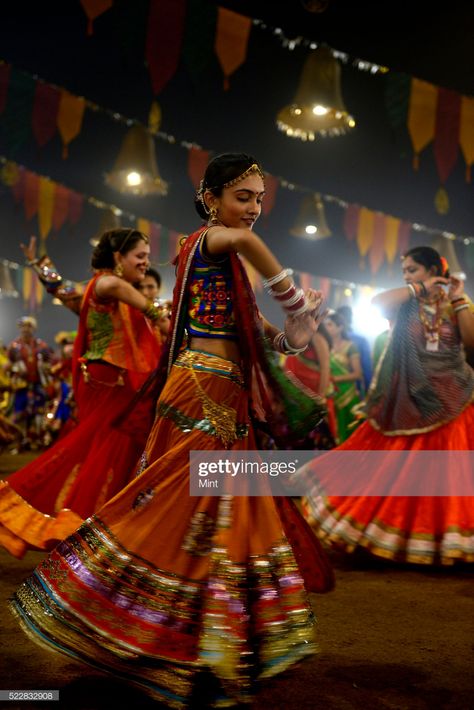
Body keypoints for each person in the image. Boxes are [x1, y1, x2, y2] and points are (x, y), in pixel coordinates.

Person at [11, 153, 334, 707]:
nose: (254, 209)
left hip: (222, 391)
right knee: (180, 506)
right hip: (200, 389)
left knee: (219, 512)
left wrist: (296, 332)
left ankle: (209, 639)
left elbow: (259, 333)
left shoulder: (224, 262)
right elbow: (249, 250)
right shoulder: (211, 241)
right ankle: (119, 616)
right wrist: (293, 295)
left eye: (260, 199)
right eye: (243, 197)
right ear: (210, 198)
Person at [300, 246, 474, 565]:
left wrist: (459, 298)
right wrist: (421, 286)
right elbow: (376, 303)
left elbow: (471, 341)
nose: (406, 276)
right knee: (394, 468)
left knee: (450, 473)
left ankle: (447, 543)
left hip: (454, 398)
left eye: (413, 270)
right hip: (408, 399)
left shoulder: (456, 303)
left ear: (435, 268)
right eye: (405, 271)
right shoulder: (404, 304)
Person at [0, 228, 164, 558]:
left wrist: (40, 265)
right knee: (99, 453)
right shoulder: (107, 287)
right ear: (118, 258)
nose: (146, 263)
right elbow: (91, 287)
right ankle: (87, 527)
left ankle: (106, 528)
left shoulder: (119, 300)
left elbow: (64, 291)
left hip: (120, 386)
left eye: (148, 257)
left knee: (101, 455)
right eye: (140, 256)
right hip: (111, 386)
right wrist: (160, 314)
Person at [283, 321, 337, 446]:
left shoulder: (316, 336)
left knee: (316, 433)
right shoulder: (298, 335)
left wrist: (320, 397)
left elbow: (325, 368)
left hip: (314, 391)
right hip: (297, 392)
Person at [6, 316, 54, 450]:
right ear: (20, 329)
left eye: (29, 327)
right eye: (23, 327)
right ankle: (21, 441)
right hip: (21, 385)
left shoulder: (41, 346)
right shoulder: (14, 347)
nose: (26, 330)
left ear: (33, 329)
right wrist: (11, 368)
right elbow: (8, 363)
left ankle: (39, 439)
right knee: (20, 413)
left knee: (39, 412)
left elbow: (50, 361)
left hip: (38, 384)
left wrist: (46, 368)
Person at [325, 311, 363, 443]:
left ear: (340, 327)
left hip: (347, 396)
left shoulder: (350, 347)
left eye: (330, 325)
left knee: (350, 436)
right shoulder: (324, 346)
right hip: (330, 396)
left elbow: (358, 374)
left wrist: (333, 380)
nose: (326, 328)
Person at [336, 305, 372, 396]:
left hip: (332, 390)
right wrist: (368, 392)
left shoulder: (328, 339)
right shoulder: (361, 340)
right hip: (354, 391)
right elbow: (367, 369)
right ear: (351, 319)